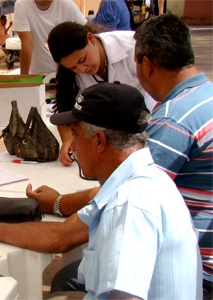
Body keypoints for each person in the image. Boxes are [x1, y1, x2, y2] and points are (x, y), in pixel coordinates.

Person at [0, 82, 202, 299]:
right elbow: (61, 235)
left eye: (75, 136)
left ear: (99, 141)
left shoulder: (129, 205)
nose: (71, 148)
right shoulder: (140, 180)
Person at [134, 14, 213, 299]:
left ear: (147, 64)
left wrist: (59, 202)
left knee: (72, 279)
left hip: (195, 270)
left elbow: (131, 194)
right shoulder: (207, 96)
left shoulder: (173, 120)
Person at [47, 21, 156, 166]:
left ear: (91, 39)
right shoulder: (71, 72)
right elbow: (65, 111)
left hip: (149, 128)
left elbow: (164, 92)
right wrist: (68, 140)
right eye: (73, 67)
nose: (82, 69)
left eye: (83, 60)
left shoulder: (134, 48)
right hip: (109, 141)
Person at [13, 0, 87, 75]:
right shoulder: (22, 5)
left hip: (65, 71)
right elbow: (27, 43)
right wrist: (24, 77)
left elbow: (85, 32)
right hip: (37, 72)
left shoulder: (66, 4)